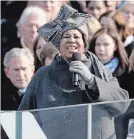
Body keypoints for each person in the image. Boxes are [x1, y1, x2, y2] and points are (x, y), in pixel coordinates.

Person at [18, 5, 129, 138]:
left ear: (84, 42)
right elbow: (23, 116)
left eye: (76, 36)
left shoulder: (100, 70)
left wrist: (92, 80)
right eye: (66, 36)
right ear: (58, 44)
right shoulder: (43, 75)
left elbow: (122, 104)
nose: (71, 40)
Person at [89, 27, 134, 98]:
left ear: (115, 46)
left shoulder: (127, 71)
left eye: (106, 44)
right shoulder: (88, 70)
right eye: (98, 44)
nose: (101, 48)